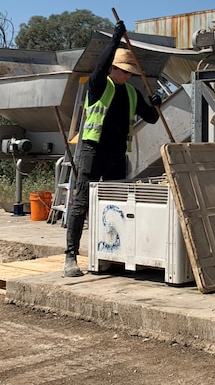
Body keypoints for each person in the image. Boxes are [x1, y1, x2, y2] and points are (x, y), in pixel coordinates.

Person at [63, 20, 162, 277]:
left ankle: (110, 255)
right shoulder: (99, 85)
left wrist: (156, 104)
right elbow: (100, 65)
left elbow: (150, 118)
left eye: (130, 72)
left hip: (117, 155)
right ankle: (70, 257)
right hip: (93, 151)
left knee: (115, 204)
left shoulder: (131, 92)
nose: (128, 75)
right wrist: (115, 39)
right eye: (125, 71)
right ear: (114, 69)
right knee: (82, 201)